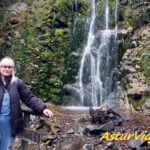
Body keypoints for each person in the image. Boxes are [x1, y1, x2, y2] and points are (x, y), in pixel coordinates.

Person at [0, 57, 53, 150]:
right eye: (4, 66)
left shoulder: (17, 83)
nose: (7, 69)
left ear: (13, 69)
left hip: (8, 123)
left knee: (5, 146)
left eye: (10, 67)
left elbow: (29, 98)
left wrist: (43, 108)